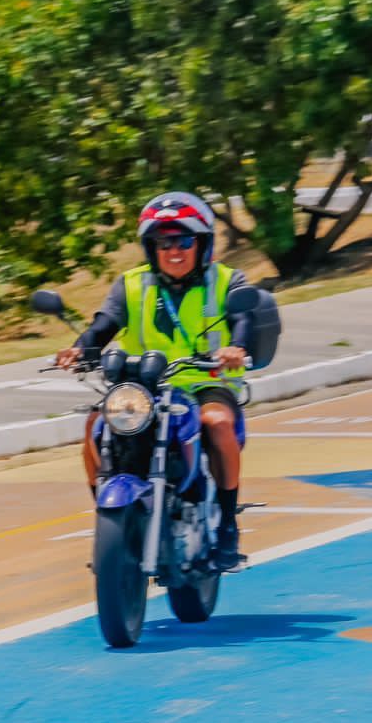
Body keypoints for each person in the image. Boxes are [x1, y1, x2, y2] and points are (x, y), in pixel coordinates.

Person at [56, 191, 253, 570]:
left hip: (204, 381)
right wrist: (80, 350)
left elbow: (243, 318)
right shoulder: (132, 285)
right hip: (143, 384)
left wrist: (236, 348)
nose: (174, 250)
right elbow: (103, 326)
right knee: (96, 426)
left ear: (202, 243)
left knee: (218, 423)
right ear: (151, 247)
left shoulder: (226, 280)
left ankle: (228, 524)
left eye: (183, 240)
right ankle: (109, 520)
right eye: (164, 242)